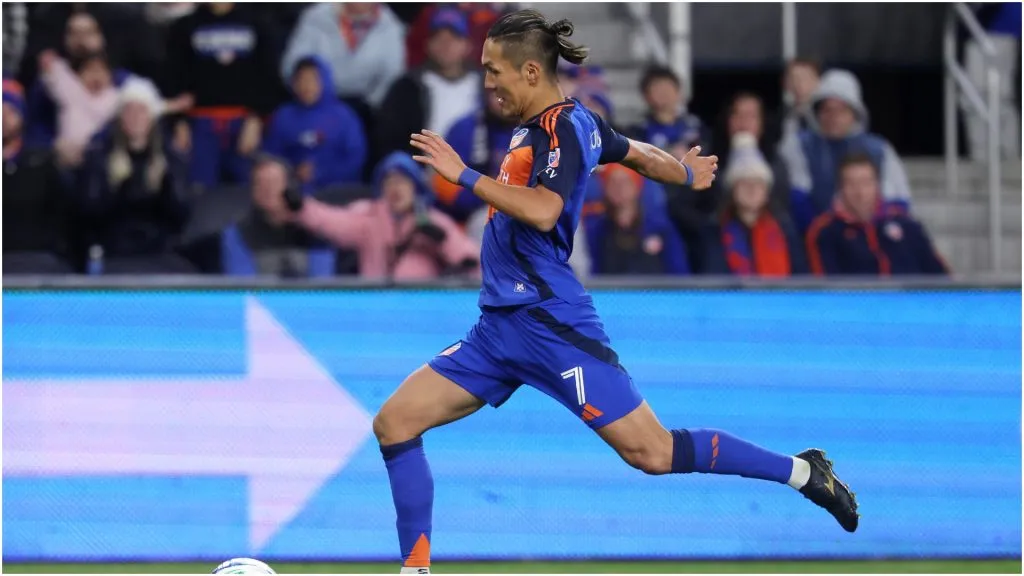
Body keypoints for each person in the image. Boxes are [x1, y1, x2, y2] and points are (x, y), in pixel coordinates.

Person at [376, 10, 860, 574]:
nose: (485, 82)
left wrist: (460, 174)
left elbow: (544, 210)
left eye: (492, 71)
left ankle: (804, 471)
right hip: (498, 329)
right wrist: (681, 172)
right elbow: (633, 151)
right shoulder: (560, 127)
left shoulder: (564, 129)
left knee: (652, 453)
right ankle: (415, 570)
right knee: (395, 422)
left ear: (530, 72)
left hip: (551, 324)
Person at [277, 151, 480, 280]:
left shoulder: (433, 220)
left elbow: (471, 261)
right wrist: (301, 206)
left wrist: (444, 243)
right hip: (375, 305)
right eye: (389, 182)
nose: (395, 188)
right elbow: (331, 221)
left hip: (420, 306)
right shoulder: (369, 218)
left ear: (415, 188)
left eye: (402, 182)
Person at [806, 153, 948, 276]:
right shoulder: (825, 232)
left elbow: (941, 277)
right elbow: (825, 289)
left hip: (914, 305)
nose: (860, 192)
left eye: (866, 183)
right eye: (851, 184)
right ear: (840, 188)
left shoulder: (906, 224)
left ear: (877, 185)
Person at [703, 133, 808, 277]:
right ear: (733, 190)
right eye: (744, 183)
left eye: (758, 184)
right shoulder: (715, 229)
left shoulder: (784, 227)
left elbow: (801, 276)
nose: (752, 189)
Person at [262, 56, 368, 189]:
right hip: (292, 191)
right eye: (300, 80)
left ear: (325, 81)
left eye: (313, 79)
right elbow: (272, 156)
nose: (306, 86)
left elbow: (355, 158)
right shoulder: (283, 116)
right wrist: (293, 171)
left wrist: (321, 173)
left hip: (337, 192)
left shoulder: (344, 116)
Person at [583, 163, 689, 275]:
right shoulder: (597, 230)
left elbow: (679, 272)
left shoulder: (660, 227)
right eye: (612, 182)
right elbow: (592, 272)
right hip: (612, 291)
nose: (619, 188)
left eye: (625, 182)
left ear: (636, 185)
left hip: (656, 291)